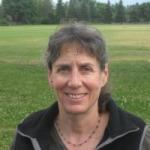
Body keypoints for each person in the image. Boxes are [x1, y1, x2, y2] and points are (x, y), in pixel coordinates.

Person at [11, 24, 150, 150]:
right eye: (64, 69)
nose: (74, 82)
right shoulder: (27, 133)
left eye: (86, 69)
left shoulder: (138, 137)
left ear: (104, 75)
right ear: (50, 76)